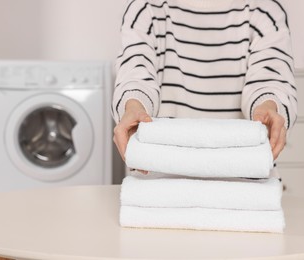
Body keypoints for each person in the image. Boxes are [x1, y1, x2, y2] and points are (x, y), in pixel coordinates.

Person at [112, 0, 297, 167]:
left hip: (246, 179)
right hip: (159, 177)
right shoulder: (146, 9)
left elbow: (270, 76)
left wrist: (268, 107)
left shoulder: (265, 11)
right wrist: (134, 106)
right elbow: (136, 71)